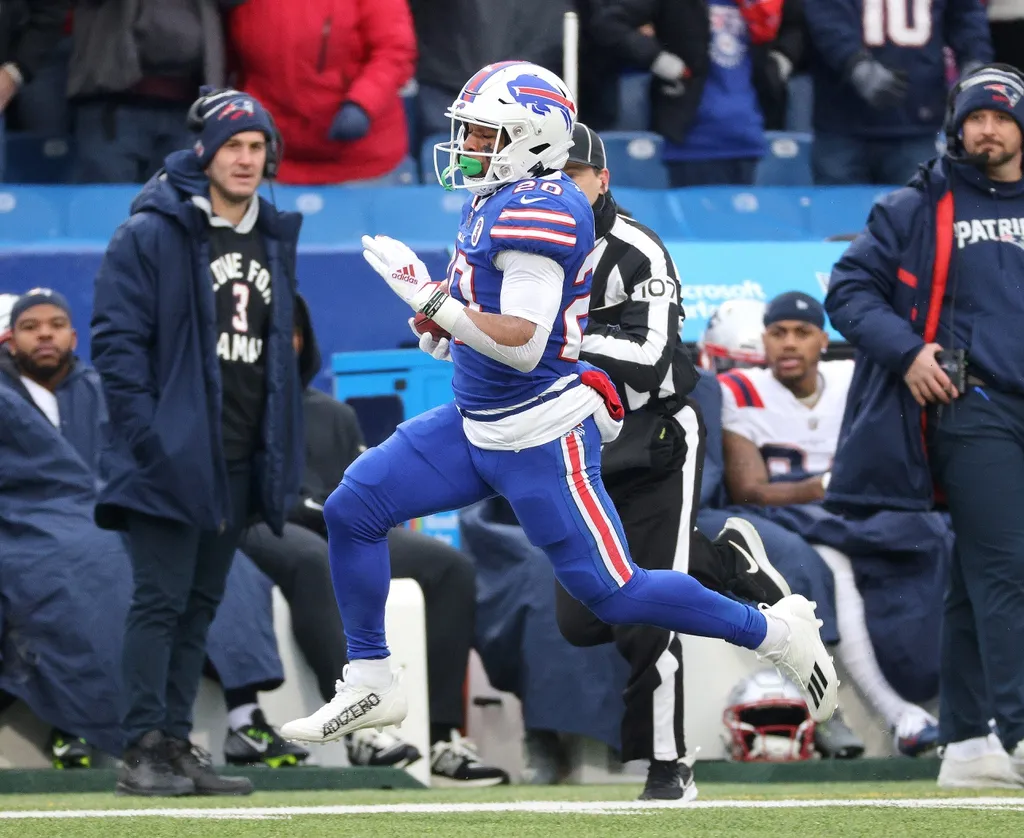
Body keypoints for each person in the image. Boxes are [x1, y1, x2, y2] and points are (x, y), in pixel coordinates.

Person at [280, 61, 838, 749]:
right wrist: (444, 332)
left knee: (616, 593)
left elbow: (523, 343)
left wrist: (428, 297)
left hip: (539, 436)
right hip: (476, 421)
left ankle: (775, 631)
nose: (468, 145)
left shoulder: (540, 210)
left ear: (532, 138)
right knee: (353, 508)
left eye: (484, 133)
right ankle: (372, 678)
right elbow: (486, 323)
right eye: (468, 130)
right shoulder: (496, 195)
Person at [553, 123, 790, 800]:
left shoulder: (637, 249)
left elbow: (651, 357)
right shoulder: (524, 248)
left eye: (574, 174)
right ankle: (723, 562)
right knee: (581, 620)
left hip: (651, 435)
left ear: (602, 180)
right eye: (549, 176)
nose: (560, 188)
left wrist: (556, 338)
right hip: (574, 442)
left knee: (647, 607)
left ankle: (667, 766)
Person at [90, 87, 305, 797]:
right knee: (160, 601)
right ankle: (141, 749)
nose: (246, 159)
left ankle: (176, 745)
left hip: (240, 457)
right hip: (169, 458)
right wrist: (151, 439)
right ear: (203, 153)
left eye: (257, 147)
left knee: (199, 605)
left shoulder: (273, 235)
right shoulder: (151, 232)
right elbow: (116, 344)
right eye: (233, 146)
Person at [825, 63, 1024, 789]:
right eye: (975, 118)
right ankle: (1021, 731)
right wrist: (909, 352)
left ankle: (968, 744)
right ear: (956, 126)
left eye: (1001, 118)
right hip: (973, 405)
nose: (987, 130)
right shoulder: (917, 204)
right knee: (1009, 570)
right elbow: (848, 290)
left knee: (978, 579)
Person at [236, 296, 509, 785]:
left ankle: (441, 736)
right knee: (315, 560)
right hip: (263, 527)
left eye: (292, 332)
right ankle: (358, 728)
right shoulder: (234, 411)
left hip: (334, 528)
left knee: (448, 567)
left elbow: (361, 492)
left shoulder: (334, 413)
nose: (284, 343)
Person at [715, 292, 947, 756]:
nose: (789, 343)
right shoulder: (738, 389)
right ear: (763, 340)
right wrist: (827, 484)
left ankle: (958, 709)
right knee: (833, 569)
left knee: (937, 545)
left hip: (858, 513)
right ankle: (898, 715)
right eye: (778, 333)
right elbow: (750, 490)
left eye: (802, 333)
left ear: (824, 340)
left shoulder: (852, 377)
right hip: (797, 518)